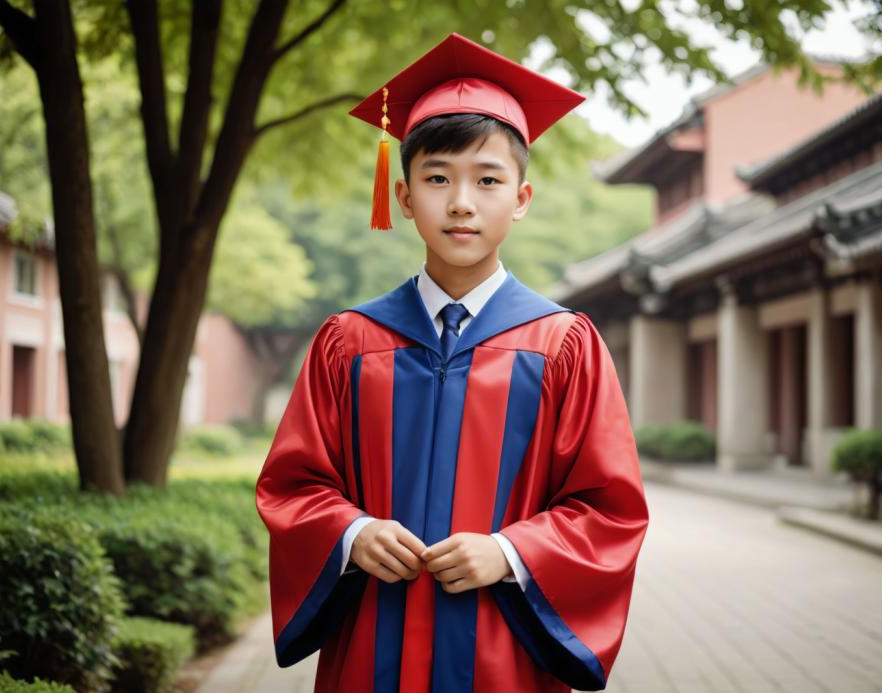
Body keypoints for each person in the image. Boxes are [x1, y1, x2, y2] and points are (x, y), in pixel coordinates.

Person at [255, 32, 650, 693]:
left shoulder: (564, 345)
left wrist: (511, 551)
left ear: (521, 198)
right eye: (437, 178)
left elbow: (608, 507)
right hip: (371, 647)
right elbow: (292, 485)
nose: (461, 201)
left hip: (505, 654)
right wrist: (351, 533)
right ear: (404, 196)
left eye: (488, 179)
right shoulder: (348, 342)